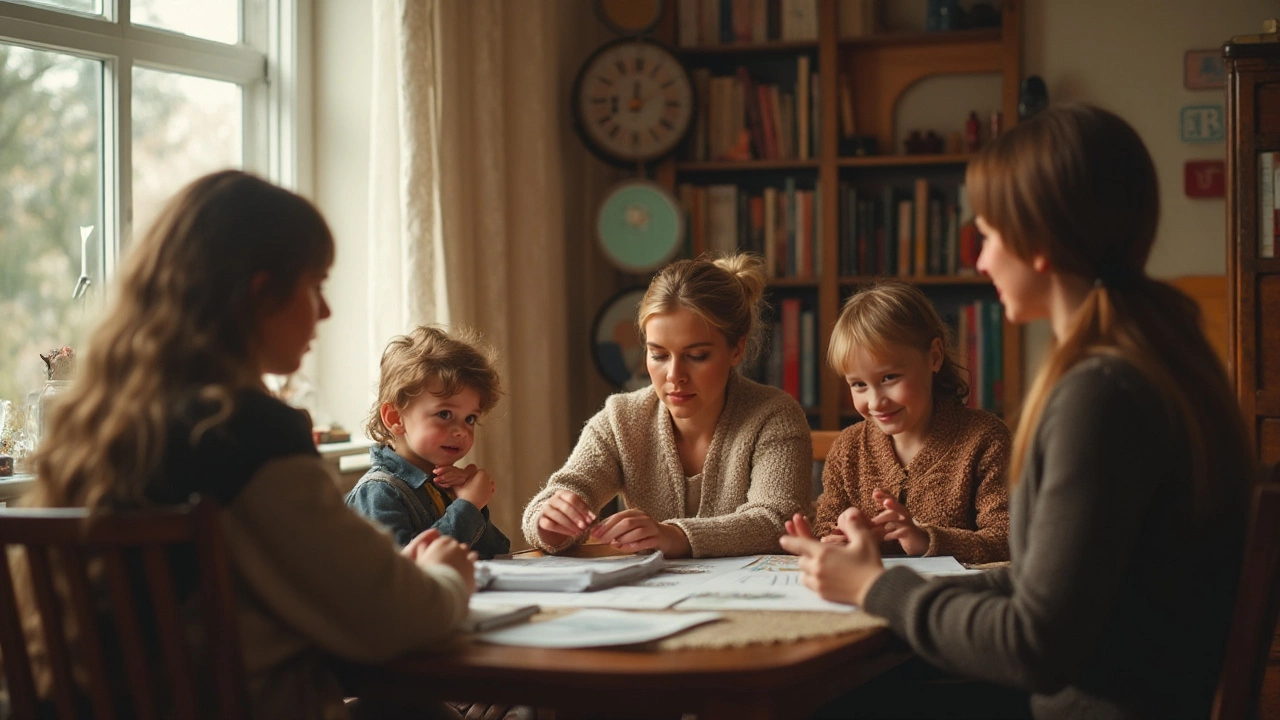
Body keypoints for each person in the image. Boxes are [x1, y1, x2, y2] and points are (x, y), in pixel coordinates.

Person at [781, 104, 1255, 719]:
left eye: (988, 236)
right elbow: (1047, 584)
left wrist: (877, 587)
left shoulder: (1102, 395)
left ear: (1038, 244)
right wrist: (898, 584)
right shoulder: (1155, 355)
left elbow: (1035, 643)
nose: (980, 261)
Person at [17, 170, 478, 720]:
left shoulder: (95, 430)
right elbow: (394, 621)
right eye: (315, 287)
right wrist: (448, 576)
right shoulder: (250, 436)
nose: (326, 312)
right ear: (261, 294)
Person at [521, 253, 812, 558]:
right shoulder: (621, 419)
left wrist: (675, 535)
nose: (674, 376)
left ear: (736, 349)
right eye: (658, 355)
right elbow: (568, 488)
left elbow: (777, 521)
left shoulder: (774, 416)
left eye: (697, 356)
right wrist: (549, 521)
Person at [800, 280, 1010, 565]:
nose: (875, 402)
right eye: (859, 384)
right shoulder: (848, 449)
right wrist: (847, 538)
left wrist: (926, 539)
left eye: (889, 378)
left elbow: (1006, 539)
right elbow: (826, 527)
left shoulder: (986, 439)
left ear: (934, 357)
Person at [346, 325, 511, 559]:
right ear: (395, 418)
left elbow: (498, 555)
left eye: (470, 419)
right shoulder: (378, 492)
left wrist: (472, 503)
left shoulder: (440, 485)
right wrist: (468, 506)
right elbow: (407, 573)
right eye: (444, 414)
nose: (462, 431)